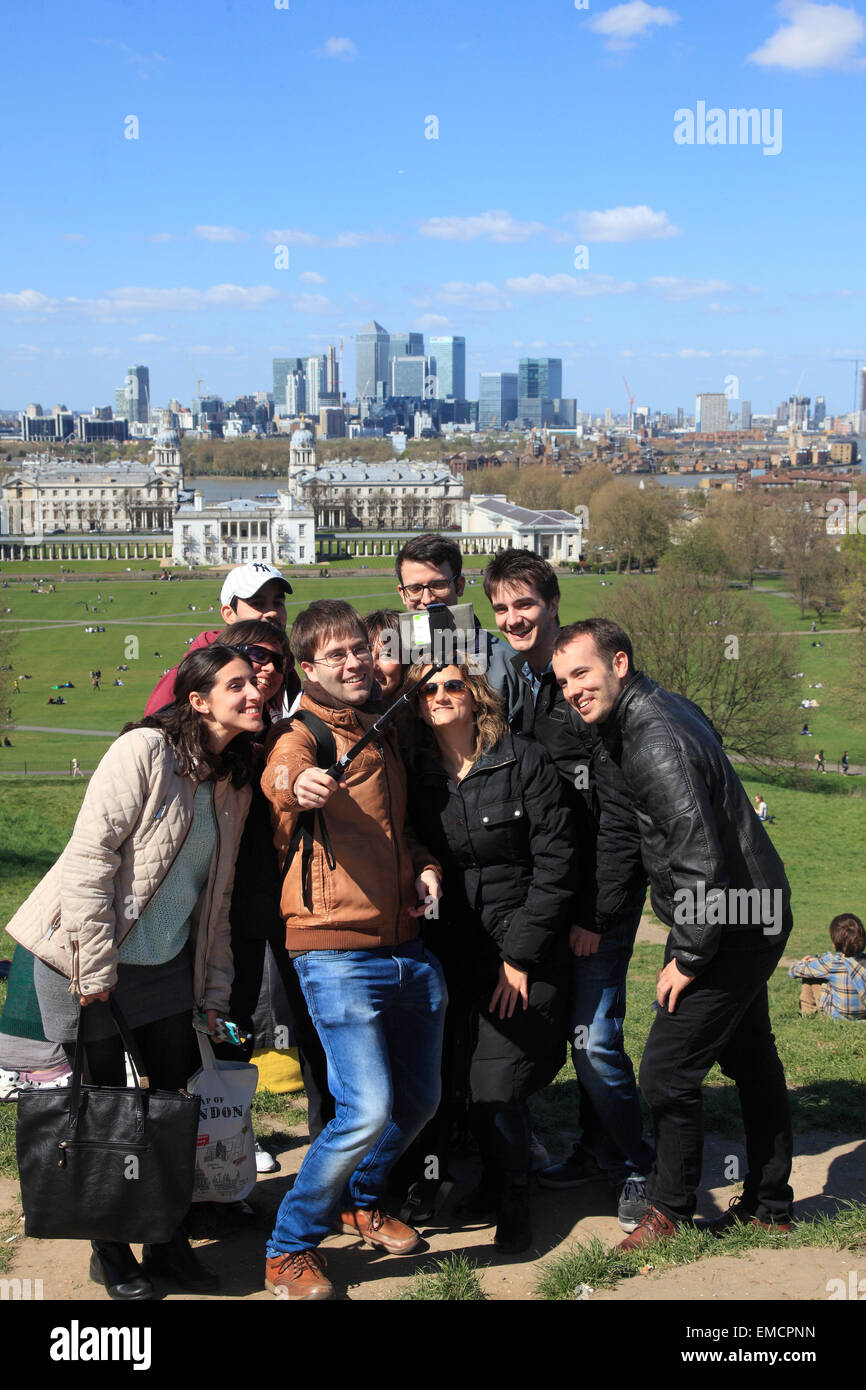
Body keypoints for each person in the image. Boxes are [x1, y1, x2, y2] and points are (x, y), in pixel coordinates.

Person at [7, 645, 263, 1300]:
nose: (254, 690)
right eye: (237, 684)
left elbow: (218, 902)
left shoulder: (232, 780)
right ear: (198, 701)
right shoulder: (145, 752)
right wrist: (94, 967)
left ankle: (167, 1241)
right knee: (101, 1109)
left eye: (256, 681)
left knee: (172, 1105)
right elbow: (90, 860)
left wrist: (212, 991)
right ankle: (109, 1250)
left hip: (165, 966)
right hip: (83, 960)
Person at [552, 618, 794, 1249]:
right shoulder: (656, 709)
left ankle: (669, 1211)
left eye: (582, 673)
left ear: (620, 664)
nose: (573, 690)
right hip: (752, 908)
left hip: (733, 922)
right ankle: (770, 1202)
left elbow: (696, 856)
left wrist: (687, 957)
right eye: (563, 681)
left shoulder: (651, 735)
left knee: (665, 1072)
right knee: (751, 1061)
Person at [260, 599, 447, 1301]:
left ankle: (360, 1200)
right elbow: (280, 776)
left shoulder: (382, 727)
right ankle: (289, 1248)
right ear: (309, 669)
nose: (354, 662)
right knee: (364, 1109)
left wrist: (426, 868)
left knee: (420, 1101)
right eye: (336, 656)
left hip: (406, 947)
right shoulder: (302, 734)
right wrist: (297, 784)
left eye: (359, 650)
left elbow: (398, 831)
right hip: (335, 953)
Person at [483, 549, 653, 1231]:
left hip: (595, 898)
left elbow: (616, 814)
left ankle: (640, 1165)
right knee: (579, 1031)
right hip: (557, 894)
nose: (514, 618)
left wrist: (596, 912)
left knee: (596, 1041)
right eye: (501, 609)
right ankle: (593, 1148)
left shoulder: (577, 682)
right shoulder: (528, 678)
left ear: (552, 603)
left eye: (525, 604)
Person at [405, 661, 576, 1252]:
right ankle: (485, 1182)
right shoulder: (418, 773)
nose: (442, 696)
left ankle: (516, 1199)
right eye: (428, 690)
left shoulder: (522, 759)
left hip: (520, 949)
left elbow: (558, 866)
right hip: (450, 951)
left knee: (494, 1080)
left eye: (453, 685)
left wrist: (521, 958)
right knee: (455, 1080)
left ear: (476, 695)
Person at [145, 563, 296, 718]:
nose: (272, 612)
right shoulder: (185, 677)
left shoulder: (284, 667)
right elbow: (151, 736)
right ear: (228, 614)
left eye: (278, 603)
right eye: (257, 604)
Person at [395, 534, 511, 691]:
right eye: (414, 589)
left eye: (438, 585)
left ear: (460, 585)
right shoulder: (392, 665)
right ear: (403, 594)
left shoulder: (505, 662)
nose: (427, 599)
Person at [789, 913, 866, 1021]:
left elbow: (793, 971)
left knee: (810, 973)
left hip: (838, 1016)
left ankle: (808, 1014)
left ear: (835, 942)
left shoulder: (831, 963)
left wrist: (804, 963)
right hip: (863, 1016)